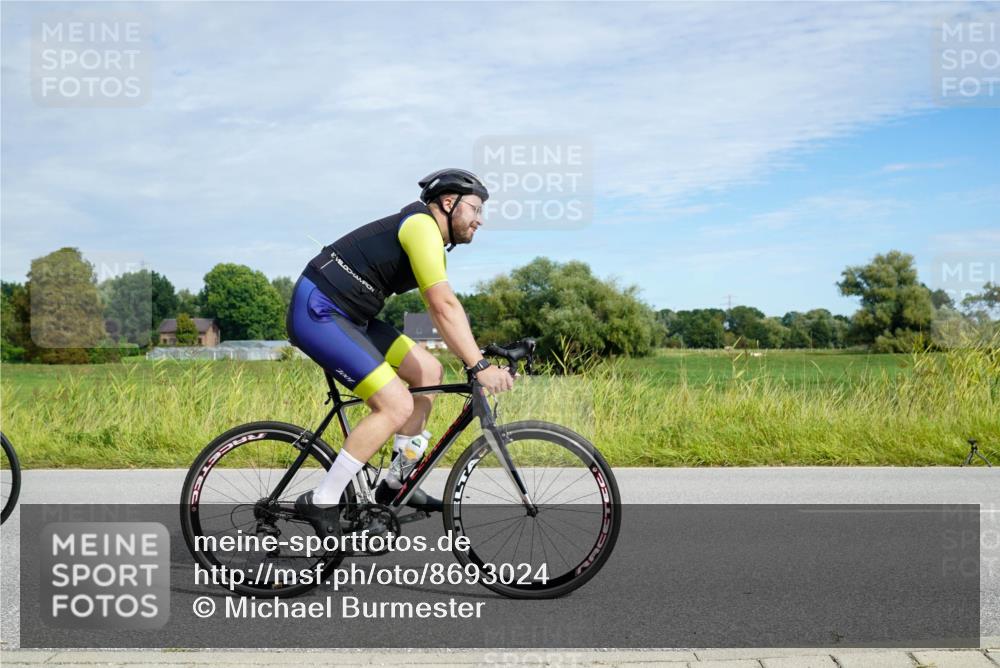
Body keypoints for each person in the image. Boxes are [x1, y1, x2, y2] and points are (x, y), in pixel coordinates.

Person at [285, 169, 515, 539]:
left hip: (354, 317)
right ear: (448, 203)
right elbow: (442, 305)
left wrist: (476, 355)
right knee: (396, 405)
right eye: (475, 209)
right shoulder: (421, 226)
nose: (480, 219)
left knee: (428, 371)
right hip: (319, 310)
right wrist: (479, 365)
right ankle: (322, 499)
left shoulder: (430, 238)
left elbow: (443, 311)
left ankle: (395, 483)